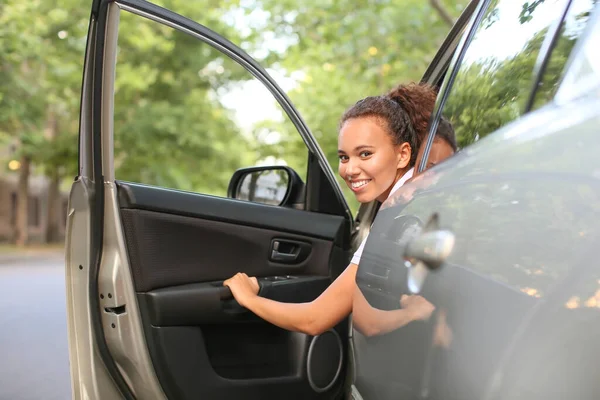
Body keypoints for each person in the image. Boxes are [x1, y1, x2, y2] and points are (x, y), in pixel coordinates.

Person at [223, 82, 438, 336]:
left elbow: (314, 320)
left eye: (365, 154)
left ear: (403, 154)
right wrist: (411, 312)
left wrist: (249, 298)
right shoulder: (417, 197)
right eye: (344, 157)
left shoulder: (399, 216)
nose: (350, 169)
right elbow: (367, 322)